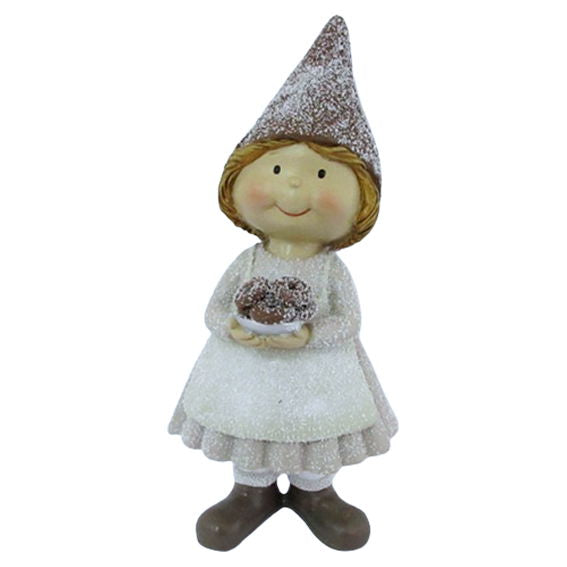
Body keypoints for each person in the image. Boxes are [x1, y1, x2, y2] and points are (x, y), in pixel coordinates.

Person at [168, 16, 398, 551]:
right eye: (274, 171)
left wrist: (310, 335)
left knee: (315, 435)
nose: (293, 186)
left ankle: (315, 492)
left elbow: (349, 321)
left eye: (321, 175)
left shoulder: (330, 269)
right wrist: (231, 327)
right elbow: (214, 310)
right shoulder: (248, 262)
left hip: (320, 377)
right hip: (246, 372)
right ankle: (251, 491)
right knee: (250, 428)